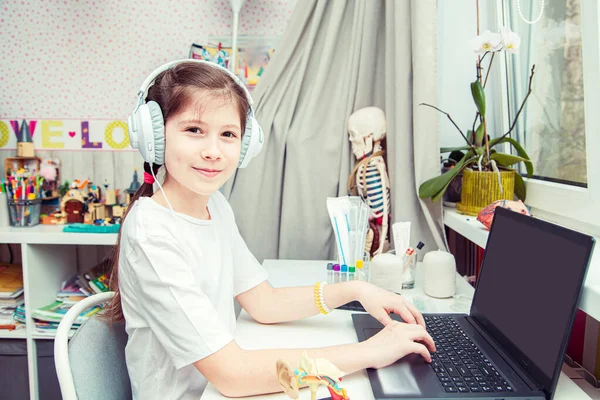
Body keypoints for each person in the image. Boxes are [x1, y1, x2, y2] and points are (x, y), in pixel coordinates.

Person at [105, 59, 436, 400]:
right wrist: (370, 352)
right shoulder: (152, 234)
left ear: (246, 145)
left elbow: (265, 303)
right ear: (154, 136)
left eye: (228, 135)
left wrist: (355, 290)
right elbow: (232, 376)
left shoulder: (213, 205)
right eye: (194, 130)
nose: (213, 151)